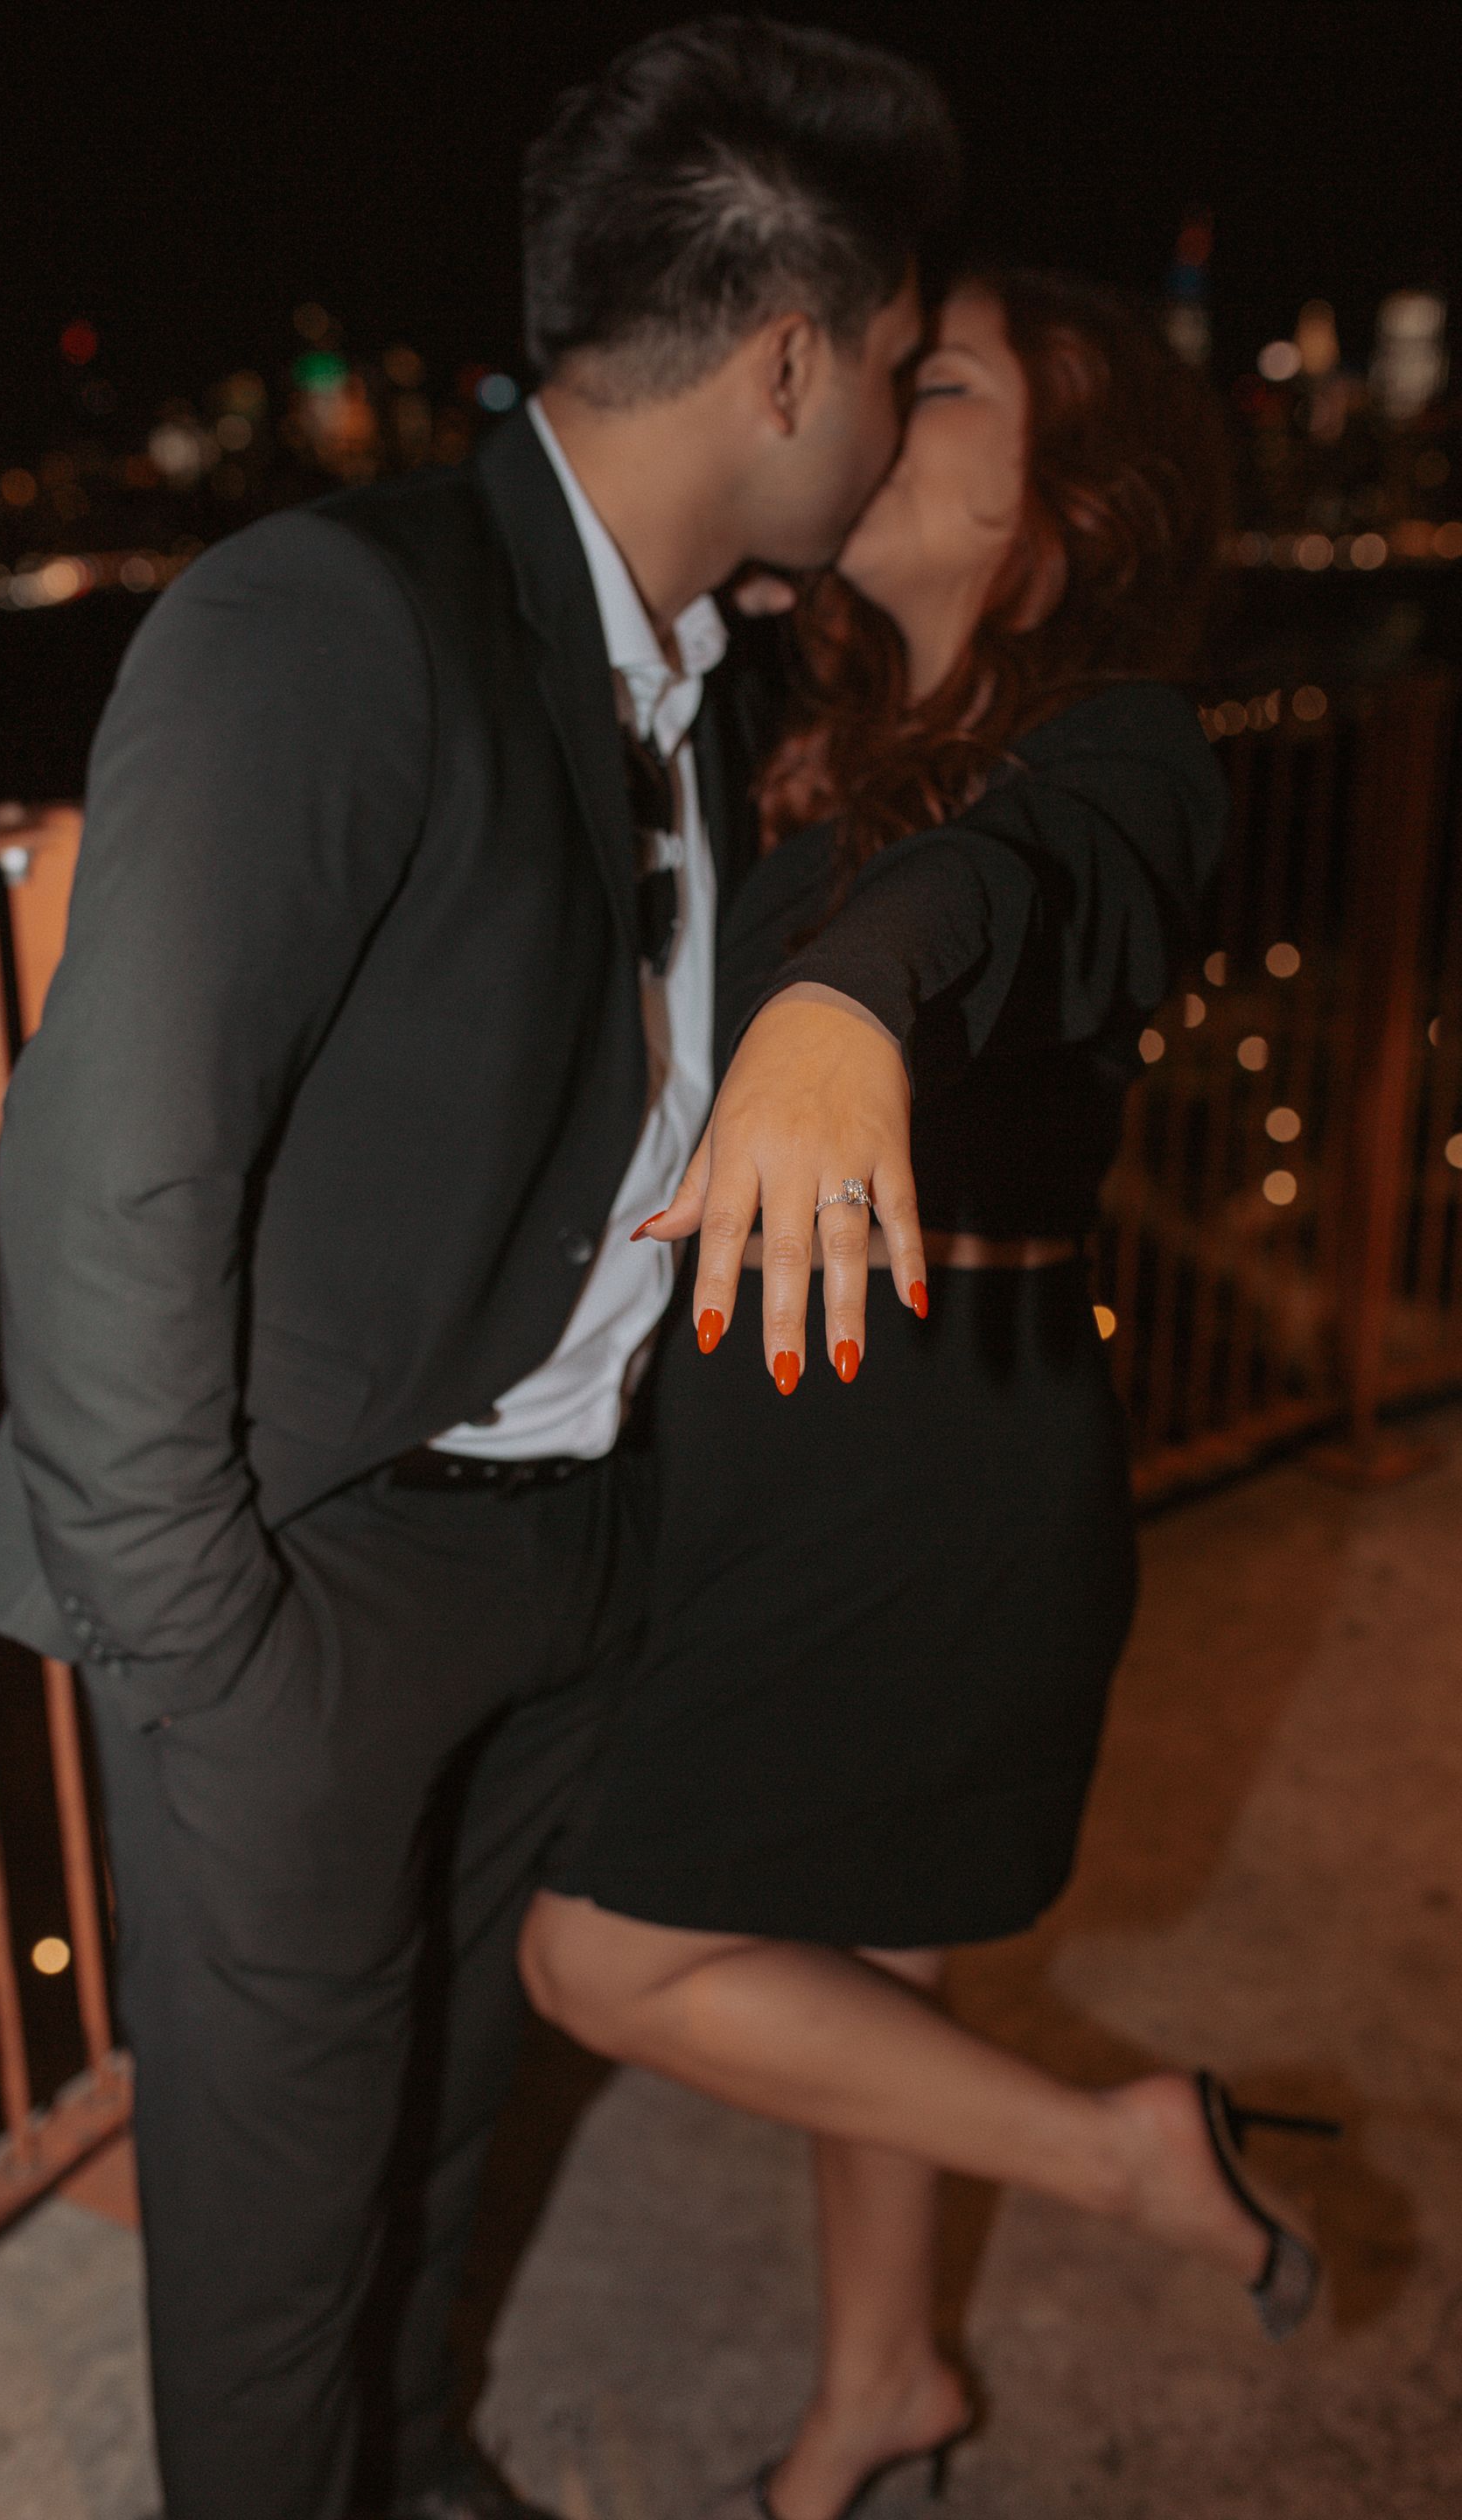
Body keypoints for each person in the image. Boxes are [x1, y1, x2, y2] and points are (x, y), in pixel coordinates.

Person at [0, 23, 962, 2520]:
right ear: (790, 352)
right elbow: (106, 1175)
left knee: (440, 2136)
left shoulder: (710, 687)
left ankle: (419, 2472)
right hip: (293, 1577)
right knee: (272, 2250)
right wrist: (210, 1647)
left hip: (556, 1544)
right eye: (905, 372)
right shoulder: (325, 617)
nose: (909, 425)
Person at [521, 270, 1340, 2519]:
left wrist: (841, 1009)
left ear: (1063, 511)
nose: (883, 407)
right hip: (804, 1423)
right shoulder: (810, 734)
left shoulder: (1122, 747)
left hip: (928, 1449)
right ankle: (885, 2391)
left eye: (942, 382)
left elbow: (1019, 885)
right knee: (867, 1947)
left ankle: (1120, 2151)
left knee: (604, 1955)